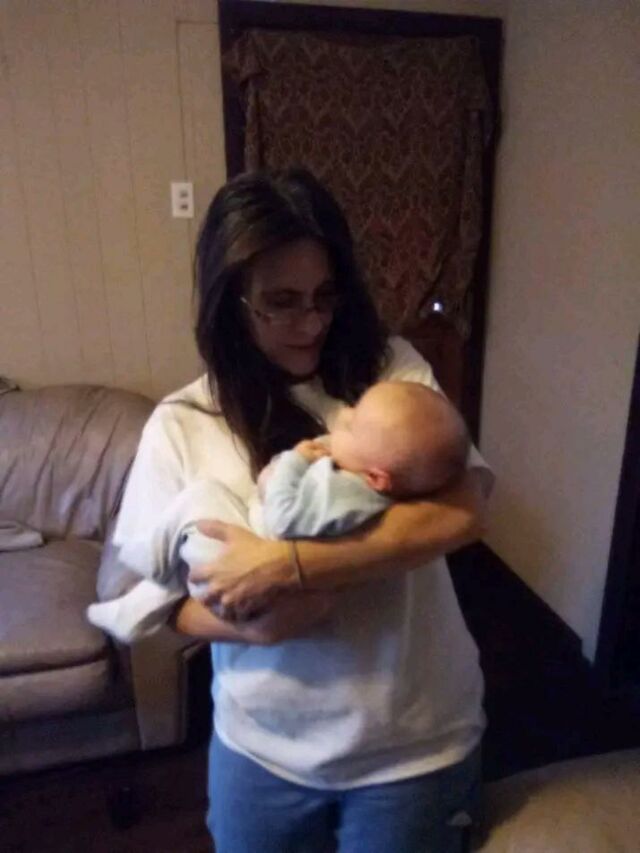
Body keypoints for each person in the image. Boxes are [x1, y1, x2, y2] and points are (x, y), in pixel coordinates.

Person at [108, 168, 493, 852]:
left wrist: (285, 565)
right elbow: (156, 601)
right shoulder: (182, 422)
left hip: (413, 747)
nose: (311, 323)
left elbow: (461, 512)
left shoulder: (391, 375)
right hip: (261, 752)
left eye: (324, 296)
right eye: (281, 303)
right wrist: (249, 626)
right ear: (232, 301)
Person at [87, 380, 470, 642]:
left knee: (201, 499)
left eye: (354, 426)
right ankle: (140, 600)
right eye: (280, 302)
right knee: (194, 522)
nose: (343, 416)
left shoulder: (349, 490)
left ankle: (147, 571)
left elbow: (284, 516)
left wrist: (292, 463)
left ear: (376, 477)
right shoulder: (362, 475)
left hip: (252, 567)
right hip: (249, 577)